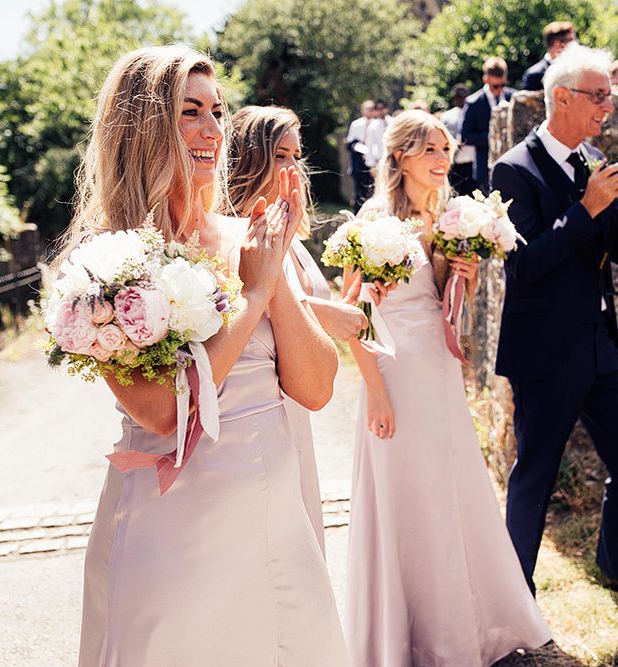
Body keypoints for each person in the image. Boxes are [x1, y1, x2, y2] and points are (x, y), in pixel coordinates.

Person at [68, 45, 349, 665]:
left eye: (217, 112)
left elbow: (317, 387)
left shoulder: (250, 237)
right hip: (171, 530)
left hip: (274, 520)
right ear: (143, 127)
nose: (213, 132)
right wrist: (253, 288)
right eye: (189, 112)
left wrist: (273, 274)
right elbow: (164, 414)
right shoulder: (103, 261)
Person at [345, 110, 551, 666]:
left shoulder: (450, 213)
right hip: (392, 370)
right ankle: (404, 632)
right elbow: (353, 313)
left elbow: (445, 301)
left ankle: (459, 622)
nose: (444, 160)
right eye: (431, 150)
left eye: (446, 149)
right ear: (402, 157)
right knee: (407, 495)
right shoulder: (376, 217)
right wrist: (377, 392)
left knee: (448, 489)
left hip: (436, 367)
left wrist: (465, 271)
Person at [492, 43, 618, 594]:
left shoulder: (592, 165)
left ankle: (613, 569)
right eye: (598, 96)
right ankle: (514, 601)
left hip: (602, 345)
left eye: (610, 97)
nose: (607, 107)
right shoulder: (512, 169)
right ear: (561, 98)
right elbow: (522, 265)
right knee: (535, 478)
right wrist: (586, 209)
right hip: (545, 352)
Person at [229, 104, 369, 554]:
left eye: (297, 155)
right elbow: (251, 297)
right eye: (281, 155)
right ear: (251, 160)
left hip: (298, 406)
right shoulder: (235, 235)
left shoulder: (288, 229)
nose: (295, 167)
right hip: (258, 409)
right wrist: (328, 316)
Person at [462, 56, 514, 192]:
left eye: (502, 85)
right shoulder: (473, 103)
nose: (499, 90)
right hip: (486, 168)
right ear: (486, 79)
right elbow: (465, 136)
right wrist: (493, 137)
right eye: (495, 86)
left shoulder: (513, 97)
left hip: (512, 163)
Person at [440, 83, 477, 195]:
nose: (459, 99)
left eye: (461, 96)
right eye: (456, 96)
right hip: (454, 163)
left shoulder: (474, 114)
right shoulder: (447, 116)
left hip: (472, 162)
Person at [522, 21, 576, 91]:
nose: (575, 45)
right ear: (558, 44)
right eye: (571, 40)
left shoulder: (577, 70)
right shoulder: (534, 75)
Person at [346, 99, 377, 212]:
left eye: (372, 109)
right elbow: (349, 144)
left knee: (372, 191)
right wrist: (358, 147)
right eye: (367, 109)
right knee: (359, 192)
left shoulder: (377, 125)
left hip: (373, 163)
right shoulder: (356, 124)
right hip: (359, 163)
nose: (370, 111)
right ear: (363, 110)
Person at [364, 100, 392, 182]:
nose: (380, 111)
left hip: (393, 160)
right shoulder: (372, 126)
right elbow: (369, 145)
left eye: (382, 108)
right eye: (377, 109)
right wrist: (371, 165)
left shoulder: (393, 122)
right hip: (380, 161)